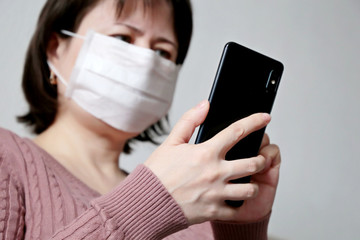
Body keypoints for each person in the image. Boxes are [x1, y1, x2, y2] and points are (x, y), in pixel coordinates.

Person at [0, 0, 281, 239]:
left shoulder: (199, 208)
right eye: (123, 38)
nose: (146, 62)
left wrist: (242, 230)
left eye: (162, 52)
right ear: (54, 49)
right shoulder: (6, 159)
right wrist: (152, 201)